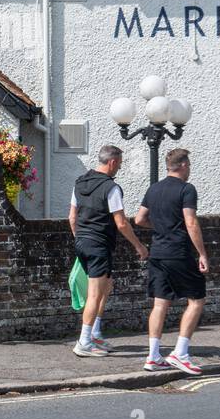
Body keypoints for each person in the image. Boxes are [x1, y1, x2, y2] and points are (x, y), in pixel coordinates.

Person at [134, 149, 209, 375]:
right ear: (184, 165)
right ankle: (180, 353)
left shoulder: (154, 189)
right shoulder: (187, 189)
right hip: (178, 253)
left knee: (160, 304)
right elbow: (191, 222)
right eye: (190, 165)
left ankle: (153, 356)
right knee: (196, 300)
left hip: (157, 253)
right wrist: (203, 254)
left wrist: (162, 227)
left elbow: (139, 219)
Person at [69, 144, 149, 356]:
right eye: (119, 165)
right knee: (95, 293)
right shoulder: (111, 188)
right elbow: (121, 222)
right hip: (98, 244)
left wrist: (81, 240)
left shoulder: (79, 182)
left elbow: (72, 218)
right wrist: (139, 245)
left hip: (82, 242)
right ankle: (84, 342)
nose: (119, 169)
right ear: (112, 162)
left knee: (106, 286)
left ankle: (94, 334)